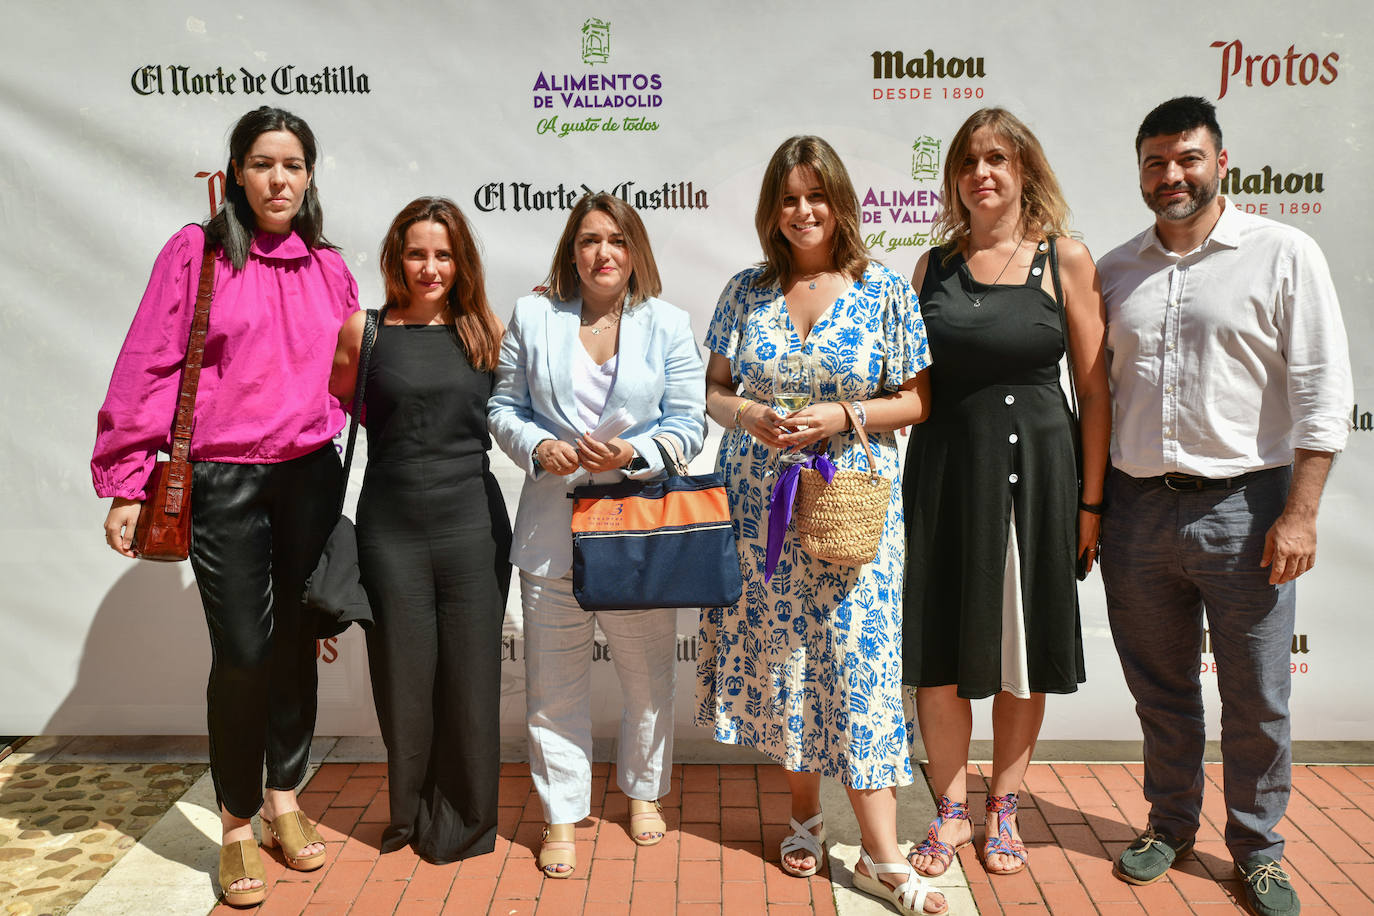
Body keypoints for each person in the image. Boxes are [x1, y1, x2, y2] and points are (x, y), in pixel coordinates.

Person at [93, 106, 358, 907]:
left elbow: (357, 371)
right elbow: (148, 363)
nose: (280, 179)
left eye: (294, 165)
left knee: (296, 639)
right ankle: (236, 824)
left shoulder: (329, 266)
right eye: (264, 163)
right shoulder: (198, 252)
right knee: (242, 651)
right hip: (223, 480)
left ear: (310, 177)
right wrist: (127, 480)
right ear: (236, 173)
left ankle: (284, 799)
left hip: (311, 474)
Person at [1097, 96, 1352, 916]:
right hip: (1137, 508)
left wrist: (1302, 512)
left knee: (1256, 694)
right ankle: (1169, 824)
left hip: (1248, 507)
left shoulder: (1283, 253)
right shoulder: (1114, 269)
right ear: (1140, 171)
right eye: (1155, 162)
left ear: (1221, 162)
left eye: (1187, 159)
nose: (1171, 175)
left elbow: (1321, 391)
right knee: (1160, 687)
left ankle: (1259, 847)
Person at [698, 135, 944, 916]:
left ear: (840, 202)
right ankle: (803, 817)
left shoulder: (881, 292)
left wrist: (843, 413)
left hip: (852, 511)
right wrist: (752, 418)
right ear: (773, 208)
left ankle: (882, 856)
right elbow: (714, 391)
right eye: (789, 197)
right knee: (787, 663)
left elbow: (916, 401)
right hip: (761, 503)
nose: (803, 211)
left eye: (816, 195)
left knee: (860, 669)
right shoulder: (745, 290)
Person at [901, 108, 1110, 880]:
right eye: (968, 161)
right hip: (947, 477)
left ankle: (1004, 810)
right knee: (941, 650)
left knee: (1021, 654)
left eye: (997, 158)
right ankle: (951, 812)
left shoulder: (1066, 259)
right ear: (955, 177)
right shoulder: (931, 268)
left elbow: (1093, 391)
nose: (981, 173)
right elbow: (911, 392)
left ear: (1025, 171)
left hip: (1039, 480)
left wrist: (1092, 504)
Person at [487, 192, 705, 879]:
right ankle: (560, 813)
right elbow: (503, 406)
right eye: (588, 240)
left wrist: (634, 458)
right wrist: (537, 446)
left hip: (636, 529)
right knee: (553, 686)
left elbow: (690, 423)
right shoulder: (532, 316)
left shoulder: (668, 324)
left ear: (634, 250)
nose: (602, 253)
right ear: (571, 251)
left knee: (647, 679)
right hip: (553, 530)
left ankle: (643, 793)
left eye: (616, 239)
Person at [329, 197, 512, 864]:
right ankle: (408, 812)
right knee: (403, 680)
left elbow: (522, 411)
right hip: (392, 531)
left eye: (443, 253)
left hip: (473, 529)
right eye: (417, 253)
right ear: (395, 258)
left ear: (461, 260)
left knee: (471, 683)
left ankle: (466, 818)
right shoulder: (365, 330)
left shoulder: (485, 330)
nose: (430, 267)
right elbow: (334, 402)